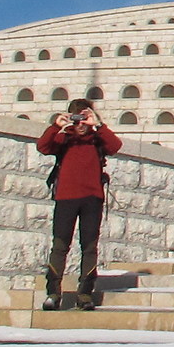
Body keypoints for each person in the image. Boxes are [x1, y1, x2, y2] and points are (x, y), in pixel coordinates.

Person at [36, 98, 121, 311]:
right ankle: (53, 293)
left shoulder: (97, 138)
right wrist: (57, 125)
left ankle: (85, 293)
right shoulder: (65, 138)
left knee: (89, 246)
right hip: (66, 198)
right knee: (60, 245)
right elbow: (43, 147)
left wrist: (98, 125)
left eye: (84, 119)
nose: (81, 124)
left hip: (92, 199)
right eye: (77, 119)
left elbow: (115, 146)